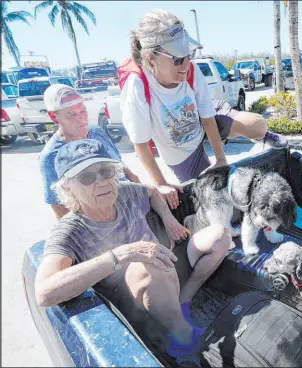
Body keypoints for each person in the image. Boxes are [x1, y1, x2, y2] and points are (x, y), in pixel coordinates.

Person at [35, 139, 231, 357]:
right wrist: (121, 254)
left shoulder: (124, 192)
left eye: (106, 171)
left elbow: (152, 192)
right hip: (133, 298)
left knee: (219, 235)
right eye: (87, 177)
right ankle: (183, 339)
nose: (101, 182)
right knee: (149, 265)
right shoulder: (68, 231)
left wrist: (168, 219)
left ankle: (183, 300)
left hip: (166, 266)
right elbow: (44, 293)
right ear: (66, 188)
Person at [120, 9, 287, 209]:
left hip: (202, 121)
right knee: (213, 199)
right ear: (150, 59)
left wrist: (220, 158)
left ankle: (258, 135)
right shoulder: (137, 85)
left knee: (257, 124)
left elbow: (208, 117)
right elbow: (140, 143)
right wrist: (161, 184)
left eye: (188, 55)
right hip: (180, 150)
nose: (186, 64)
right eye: (177, 59)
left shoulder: (191, 70)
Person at [39, 84, 141, 220]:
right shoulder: (51, 156)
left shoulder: (97, 132)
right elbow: (60, 209)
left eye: (83, 111)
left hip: (131, 209)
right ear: (54, 116)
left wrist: (140, 190)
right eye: (71, 114)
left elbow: (120, 165)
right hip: (103, 222)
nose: (81, 118)